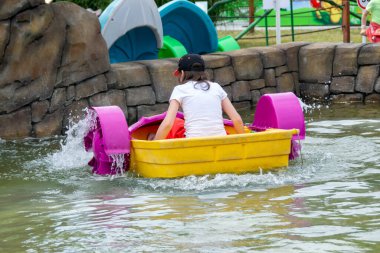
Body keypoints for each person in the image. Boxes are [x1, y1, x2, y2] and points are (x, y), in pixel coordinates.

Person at [153, 53, 245, 140]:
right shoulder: (216, 87)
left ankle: (152, 138)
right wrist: (244, 142)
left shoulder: (179, 90)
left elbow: (168, 124)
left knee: (176, 123)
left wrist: (155, 144)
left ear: (183, 73)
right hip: (220, 140)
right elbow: (237, 119)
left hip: (193, 143)